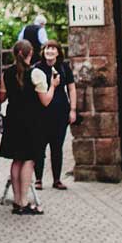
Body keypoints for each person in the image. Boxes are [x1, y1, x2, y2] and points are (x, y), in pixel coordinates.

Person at [0, 38, 56, 215]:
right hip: (31, 122)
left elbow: (2, 98)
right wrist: (53, 85)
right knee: (29, 160)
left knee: (16, 160)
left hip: (13, 120)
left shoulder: (6, 73)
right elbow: (45, 101)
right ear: (30, 53)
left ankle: (16, 201)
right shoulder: (36, 73)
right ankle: (24, 202)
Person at [36, 41, 75, 190]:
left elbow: (71, 89)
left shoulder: (64, 68)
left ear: (58, 52)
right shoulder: (38, 68)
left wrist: (73, 109)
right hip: (41, 113)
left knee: (57, 147)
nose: (50, 51)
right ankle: (38, 179)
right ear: (43, 51)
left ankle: (56, 179)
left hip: (60, 112)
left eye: (53, 49)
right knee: (39, 146)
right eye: (47, 48)